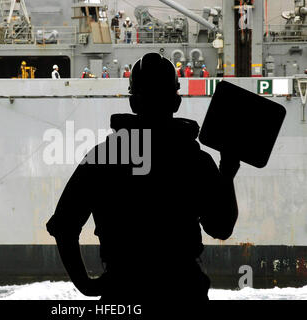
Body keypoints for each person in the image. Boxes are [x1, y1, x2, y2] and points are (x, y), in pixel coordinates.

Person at [46, 52, 240, 304]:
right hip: (184, 292)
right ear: (176, 102)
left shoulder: (103, 157)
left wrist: (86, 286)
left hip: (123, 291)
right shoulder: (195, 161)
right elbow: (221, 227)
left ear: (133, 103)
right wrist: (227, 171)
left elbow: (64, 226)